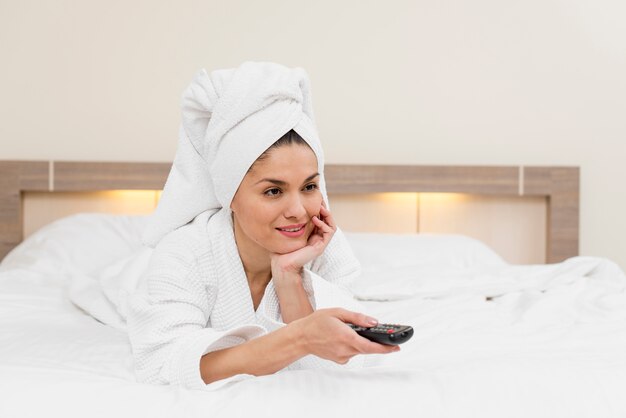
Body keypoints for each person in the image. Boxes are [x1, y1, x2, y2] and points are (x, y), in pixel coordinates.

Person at [127, 62, 399, 391]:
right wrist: (299, 337)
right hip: (136, 281)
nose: (298, 211)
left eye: (310, 187)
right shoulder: (185, 254)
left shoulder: (321, 244)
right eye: (274, 191)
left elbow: (337, 360)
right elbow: (162, 365)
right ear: (230, 196)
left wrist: (289, 276)